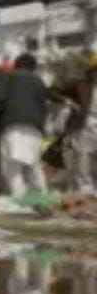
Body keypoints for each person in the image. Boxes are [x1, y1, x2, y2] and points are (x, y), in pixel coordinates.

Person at [0, 53, 50, 198]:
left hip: (13, 126)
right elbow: (44, 107)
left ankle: (22, 199)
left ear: (16, 65)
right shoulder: (39, 81)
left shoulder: (6, 77)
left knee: (12, 167)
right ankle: (41, 197)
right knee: (33, 164)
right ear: (33, 67)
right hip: (35, 128)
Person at [66, 53, 97, 194]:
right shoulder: (81, 85)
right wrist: (71, 104)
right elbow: (57, 93)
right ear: (91, 71)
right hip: (85, 124)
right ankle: (85, 189)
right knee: (83, 158)